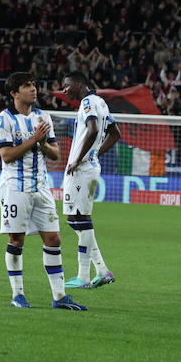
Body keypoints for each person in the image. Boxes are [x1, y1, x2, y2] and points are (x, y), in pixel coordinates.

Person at [0, 73, 86, 310]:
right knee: (17, 239)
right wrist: (35, 139)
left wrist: (43, 142)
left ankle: (59, 297)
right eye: (27, 86)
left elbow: (55, 154)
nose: (34, 89)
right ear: (14, 93)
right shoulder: (4, 120)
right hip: (15, 187)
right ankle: (17, 295)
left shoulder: (42, 116)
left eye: (34, 85)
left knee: (54, 238)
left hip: (41, 186)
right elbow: (6, 155)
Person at [61, 71, 119, 291]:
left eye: (66, 86)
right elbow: (115, 134)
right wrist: (95, 154)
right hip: (90, 167)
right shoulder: (101, 102)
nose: (65, 90)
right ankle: (102, 270)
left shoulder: (87, 103)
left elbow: (94, 129)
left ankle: (83, 275)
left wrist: (79, 158)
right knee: (74, 218)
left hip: (82, 169)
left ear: (78, 84)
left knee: (81, 218)